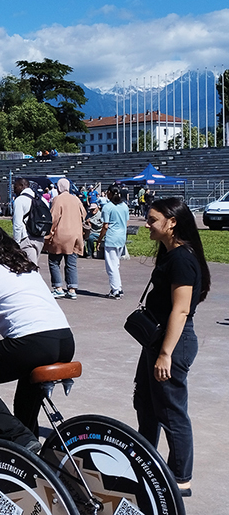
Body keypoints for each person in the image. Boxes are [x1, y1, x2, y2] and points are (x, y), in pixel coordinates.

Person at [0, 221, 74, 442]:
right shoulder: (24, 267)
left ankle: (19, 439)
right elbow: (28, 308)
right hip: (63, 340)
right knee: (26, 396)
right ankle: (29, 448)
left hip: (34, 344)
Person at [133, 198, 211, 498]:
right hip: (158, 340)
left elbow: (181, 310)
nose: (147, 225)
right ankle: (145, 462)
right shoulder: (170, 254)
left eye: (152, 220)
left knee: (171, 411)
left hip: (173, 342)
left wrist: (165, 354)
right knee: (146, 403)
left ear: (172, 222)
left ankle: (180, 478)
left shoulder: (181, 259)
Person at [44, 178, 86, 299]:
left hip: (61, 235)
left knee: (54, 261)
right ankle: (72, 289)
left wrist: (49, 233)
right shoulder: (76, 199)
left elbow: (54, 217)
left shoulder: (58, 199)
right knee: (71, 263)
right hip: (76, 235)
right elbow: (83, 214)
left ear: (59, 187)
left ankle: (58, 288)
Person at [96, 185, 130, 299]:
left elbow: (105, 226)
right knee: (116, 264)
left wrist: (99, 239)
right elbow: (127, 222)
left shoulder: (107, 207)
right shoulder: (124, 206)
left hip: (111, 237)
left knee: (111, 266)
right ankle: (118, 287)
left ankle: (115, 290)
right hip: (121, 237)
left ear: (110, 193)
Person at [12, 177, 44, 265]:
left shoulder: (20, 200)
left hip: (26, 238)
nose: (14, 190)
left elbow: (17, 224)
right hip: (40, 237)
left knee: (29, 268)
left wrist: (16, 242)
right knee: (33, 264)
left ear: (22, 185)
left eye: (16, 187)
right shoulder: (41, 199)